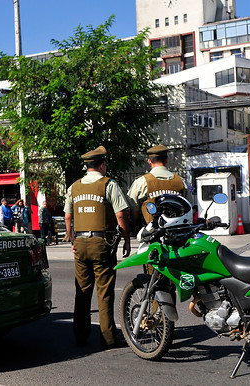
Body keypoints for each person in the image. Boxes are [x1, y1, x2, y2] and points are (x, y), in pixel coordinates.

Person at [64, 145, 131, 350]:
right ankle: (108, 338)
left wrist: (72, 239)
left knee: (82, 291)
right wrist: (127, 239)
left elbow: (68, 216)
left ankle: (80, 336)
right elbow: (121, 214)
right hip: (102, 243)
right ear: (101, 165)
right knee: (104, 291)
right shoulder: (108, 184)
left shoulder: (74, 187)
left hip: (81, 243)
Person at [127, 144, 188, 229]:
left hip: (152, 234)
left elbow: (133, 211)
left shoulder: (142, 182)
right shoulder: (181, 181)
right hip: (177, 233)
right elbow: (189, 207)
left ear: (149, 161)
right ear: (166, 160)